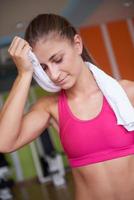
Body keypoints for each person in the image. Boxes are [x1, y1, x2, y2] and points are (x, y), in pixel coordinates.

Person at [0, 13, 134, 200]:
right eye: (44, 67)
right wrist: (24, 73)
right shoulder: (50, 108)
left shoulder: (127, 93)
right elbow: (4, 142)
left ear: (77, 44)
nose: (53, 74)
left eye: (57, 59)